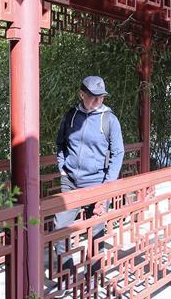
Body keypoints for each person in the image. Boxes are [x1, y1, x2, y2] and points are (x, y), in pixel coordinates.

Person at [52, 75, 125, 276]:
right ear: (82, 94)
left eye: (101, 97)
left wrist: (108, 186)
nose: (98, 101)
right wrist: (62, 167)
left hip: (98, 183)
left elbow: (118, 152)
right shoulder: (70, 116)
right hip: (71, 182)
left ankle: (94, 274)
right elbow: (60, 143)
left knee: (97, 230)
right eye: (93, 97)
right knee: (60, 229)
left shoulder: (109, 119)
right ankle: (67, 275)